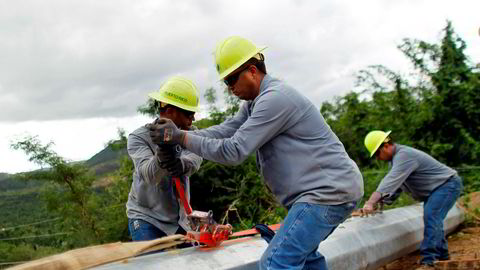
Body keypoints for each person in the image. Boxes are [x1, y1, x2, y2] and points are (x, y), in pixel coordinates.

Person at [149, 36, 364, 269]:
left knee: (276, 262)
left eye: (232, 79)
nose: (230, 89)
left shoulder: (275, 98)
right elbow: (226, 130)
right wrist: (180, 134)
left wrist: (180, 137)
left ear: (252, 71)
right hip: (326, 194)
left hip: (326, 195)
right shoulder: (254, 103)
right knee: (306, 260)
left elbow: (234, 150)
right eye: (226, 83)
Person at [361, 130, 463, 269]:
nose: (378, 158)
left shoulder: (404, 155)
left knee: (431, 216)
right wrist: (383, 201)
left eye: (377, 154)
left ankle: (429, 261)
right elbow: (397, 186)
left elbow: (390, 181)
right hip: (437, 189)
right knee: (433, 217)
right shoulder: (397, 160)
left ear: (385, 146)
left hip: (446, 185)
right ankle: (443, 257)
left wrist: (371, 202)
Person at [126, 76, 203, 241]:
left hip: (180, 220)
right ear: (170, 112)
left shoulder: (191, 132)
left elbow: (195, 159)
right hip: (147, 219)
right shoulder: (138, 138)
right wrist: (163, 148)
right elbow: (151, 176)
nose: (193, 119)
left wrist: (180, 163)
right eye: (189, 113)